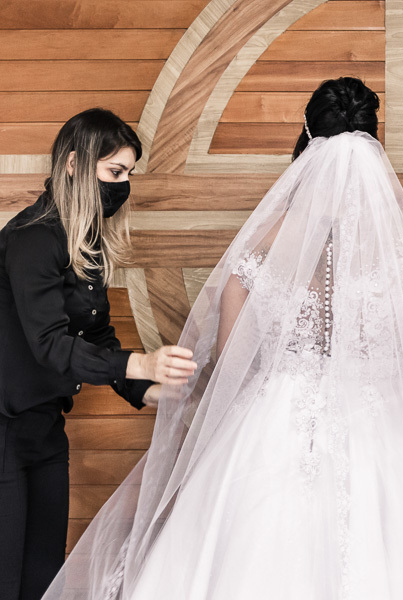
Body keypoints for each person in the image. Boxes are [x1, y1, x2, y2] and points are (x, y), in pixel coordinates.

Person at [43, 78, 403, 600]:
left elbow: (233, 364)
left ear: (305, 145)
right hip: (383, 429)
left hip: (276, 426)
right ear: (373, 151)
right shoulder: (402, 253)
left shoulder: (260, 246)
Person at [0, 108, 197, 600]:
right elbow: (50, 345)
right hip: (3, 428)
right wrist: (141, 362)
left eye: (128, 174)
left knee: (45, 574)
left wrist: (145, 389)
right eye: (115, 173)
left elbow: (97, 335)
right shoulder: (32, 239)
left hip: (44, 429)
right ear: (73, 164)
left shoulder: (84, 241)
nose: (123, 185)